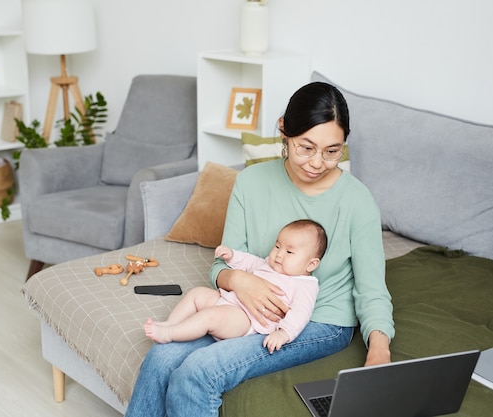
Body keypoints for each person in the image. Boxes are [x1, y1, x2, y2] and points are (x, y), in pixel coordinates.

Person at [125, 81, 393, 417]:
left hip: (319, 321)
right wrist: (240, 281)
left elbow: (372, 290)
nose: (317, 162)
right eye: (305, 148)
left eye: (332, 151)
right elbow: (220, 268)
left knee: (198, 372)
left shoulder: (357, 200)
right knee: (160, 357)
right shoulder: (250, 184)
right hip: (242, 307)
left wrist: (379, 350)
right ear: (284, 130)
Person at [143, 219, 326, 354]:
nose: (279, 255)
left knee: (209, 316)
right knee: (196, 293)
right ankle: (171, 322)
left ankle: (169, 333)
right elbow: (250, 262)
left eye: (289, 251)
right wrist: (231, 256)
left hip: (246, 320)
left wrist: (284, 334)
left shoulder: (305, 285)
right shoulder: (270, 264)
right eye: (277, 246)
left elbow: (300, 314)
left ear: (311, 264)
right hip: (230, 300)